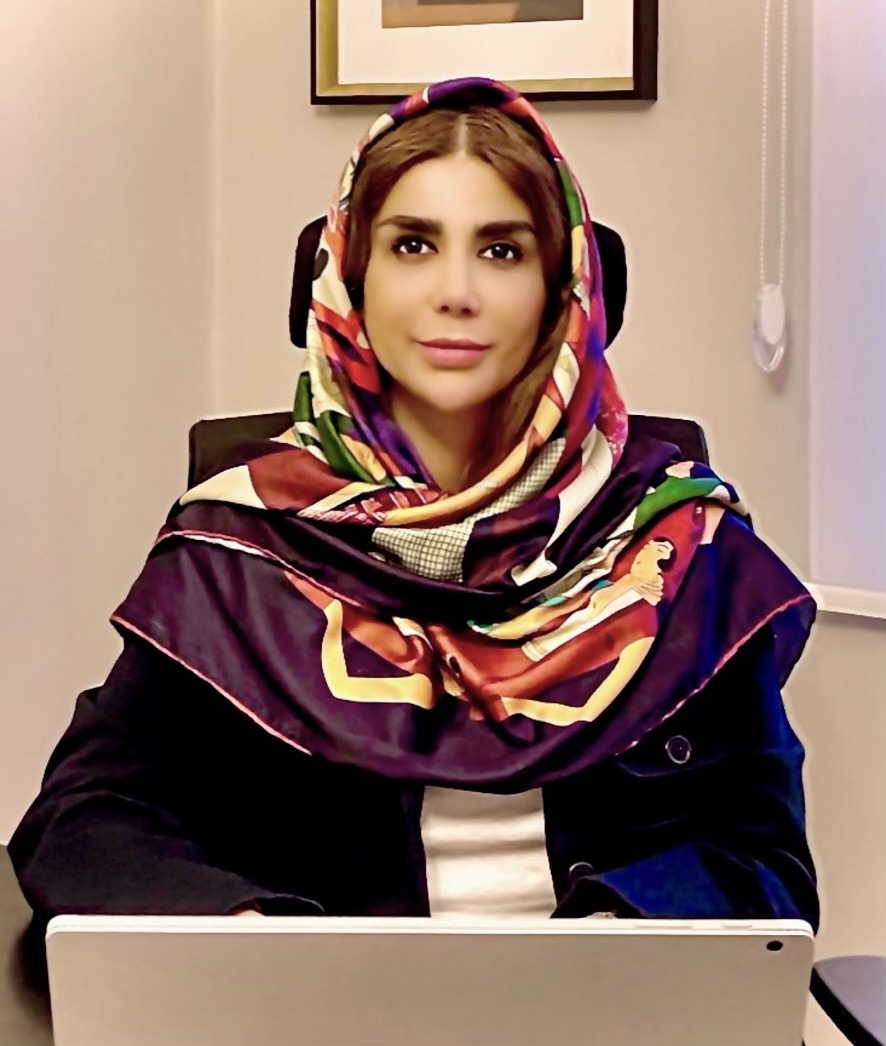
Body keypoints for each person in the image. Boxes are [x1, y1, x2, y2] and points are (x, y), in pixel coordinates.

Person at [9, 78, 818, 928]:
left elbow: (762, 855)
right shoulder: (237, 548)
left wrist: (624, 937)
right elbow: (84, 821)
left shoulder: (679, 548)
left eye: (502, 250)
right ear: (349, 278)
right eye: (412, 245)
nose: (455, 291)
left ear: (565, 290)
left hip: (618, 993)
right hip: (315, 993)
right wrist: (244, 934)